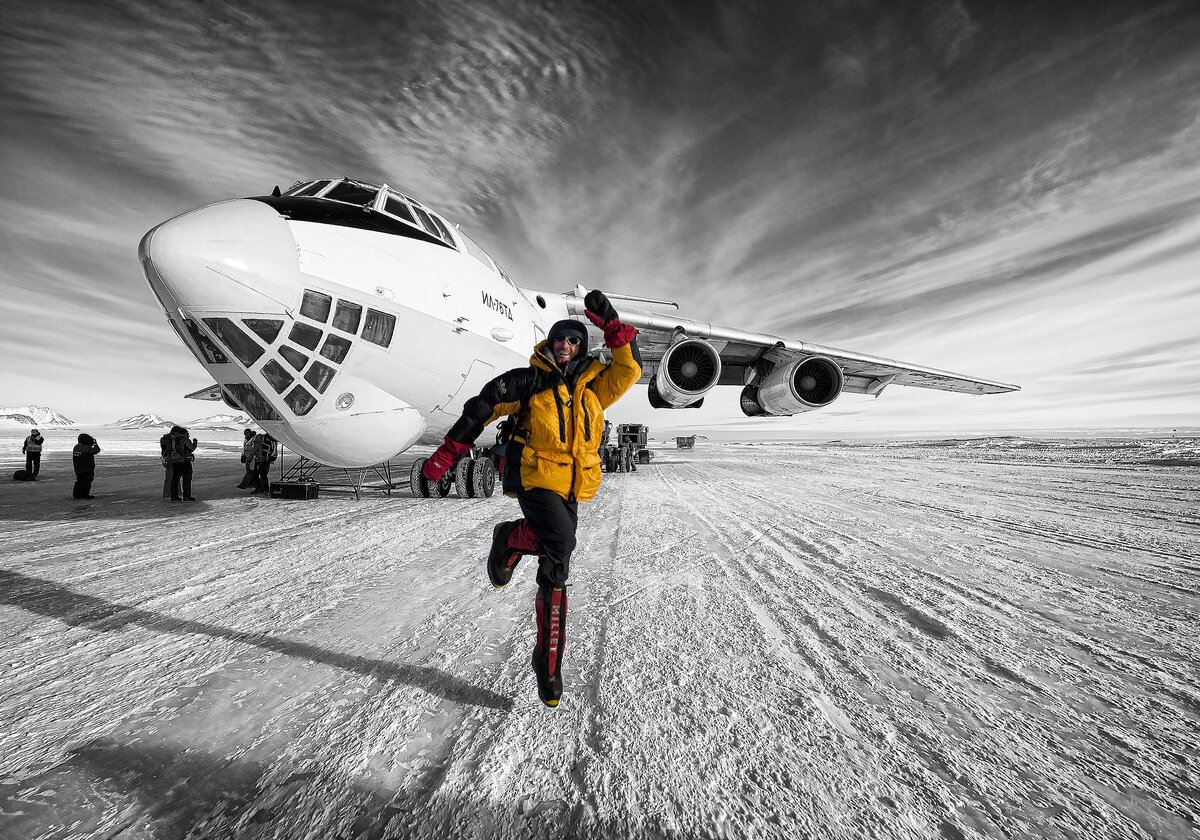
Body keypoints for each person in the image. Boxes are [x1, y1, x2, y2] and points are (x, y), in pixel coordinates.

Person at [421, 289, 640, 707]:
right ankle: (546, 650)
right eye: (559, 339)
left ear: (582, 347)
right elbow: (480, 406)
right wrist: (449, 453)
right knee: (561, 544)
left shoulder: (596, 387)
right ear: (549, 344)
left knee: (557, 560)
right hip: (534, 478)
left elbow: (628, 371)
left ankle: (514, 548)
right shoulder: (529, 381)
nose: (565, 345)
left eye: (574, 340)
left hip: (573, 484)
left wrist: (614, 328)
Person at [161, 425, 197, 502]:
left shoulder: (165, 439)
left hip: (169, 459)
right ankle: (177, 496)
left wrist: (164, 458)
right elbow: (191, 448)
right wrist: (195, 443)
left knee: (173, 478)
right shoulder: (180, 439)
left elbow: (163, 449)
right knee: (183, 478)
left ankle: (174, 496)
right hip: (180, 460)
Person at [71, 433, 100, 499]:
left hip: (78, 469)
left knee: (79, 481)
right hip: (87, 469)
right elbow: (97, 450)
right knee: (87, 482)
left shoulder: (76, 447)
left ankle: (76, 494)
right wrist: (95, 444)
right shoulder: (86, 448)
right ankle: (84, 494)